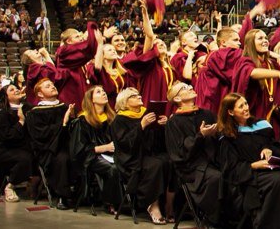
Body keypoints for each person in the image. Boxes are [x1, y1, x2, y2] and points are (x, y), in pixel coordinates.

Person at [215, 92, 280, 229]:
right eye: (240, 106)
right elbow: (230, 168)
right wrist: (253, 165)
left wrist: (268, 149)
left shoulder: (261, 125)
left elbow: (272, 144)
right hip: (248, 175)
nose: (246, 108)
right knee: (278, 180)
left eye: (245, 103)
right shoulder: (227, 136)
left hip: (268, 169)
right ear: (231, 112)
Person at [164, 81, 225, 225]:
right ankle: (213, 219)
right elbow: (179, 153)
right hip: (190, 166)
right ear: (177, 99)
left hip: (212, 160)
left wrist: (217, 132)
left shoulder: (207, 114)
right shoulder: (173, 123)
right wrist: (200, 136)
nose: (191, 87)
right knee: (216, 177)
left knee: (234, 172)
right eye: (184, 88)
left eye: (189, 86)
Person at [110, 88, 170, 223]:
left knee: (169, 161)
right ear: (124, 102)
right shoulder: (119, 120)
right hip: (131, 159)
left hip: (150, 154)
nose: (138, 96)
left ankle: (170, 208)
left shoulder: (146, 114)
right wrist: (141, 126)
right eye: (133, 96)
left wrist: (163, 126)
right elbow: (125, 145)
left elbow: (156, 142)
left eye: (138, 94)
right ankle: (152, 205)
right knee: (156, 165)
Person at [24, 78, 76, 209]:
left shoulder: (64, 107)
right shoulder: (35, 113)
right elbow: (41, 136)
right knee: (62, 159)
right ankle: (62, 196)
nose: (53, 87)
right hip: (49, 150)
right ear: (40, 94)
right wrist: (63, 123)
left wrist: (72, 120)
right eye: (48, 86)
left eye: (52, 85)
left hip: (68, 144)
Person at [69, 85, 121, 212]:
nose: (104, 93)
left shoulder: (112, 118)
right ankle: (111, 202)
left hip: (111, 155)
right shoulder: (83, 121)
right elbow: (79, 149)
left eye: (103, 91)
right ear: (91, 99)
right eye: (99, 92)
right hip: (90, 157)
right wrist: (104, 148)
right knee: (113, 169)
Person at [0, 82, 34, 203]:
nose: (16, 90)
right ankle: (10, 186)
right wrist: (20, 121)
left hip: (25, 146)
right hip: (6, 148)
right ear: (6, 96)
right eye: (11, 90)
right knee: (25, 158)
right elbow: (7, 137)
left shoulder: (28, 108)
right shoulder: (2, 113)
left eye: (16, 88)